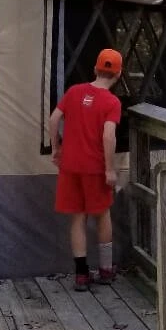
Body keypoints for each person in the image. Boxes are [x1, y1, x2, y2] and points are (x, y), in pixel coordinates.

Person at [47, 48, 123, 290]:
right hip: (95, 168)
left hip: (70, 165)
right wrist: (110, 170)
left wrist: (55, 148)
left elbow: (53, 119)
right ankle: (106, 269)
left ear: (94, 69)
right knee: (102, 215)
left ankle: (81, 274)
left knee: (78, 218)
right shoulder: (111, 102)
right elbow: (109, 136)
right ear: (118, 74)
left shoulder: (74, 91)